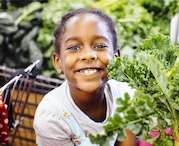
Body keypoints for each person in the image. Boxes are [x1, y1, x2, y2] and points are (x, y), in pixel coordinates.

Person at [33, 8, 136, 146]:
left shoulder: (126, 95)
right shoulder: (51, 118)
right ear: (58, 62)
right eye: (74, 47)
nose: (88, 55)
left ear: (116, 58)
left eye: (100, 46)